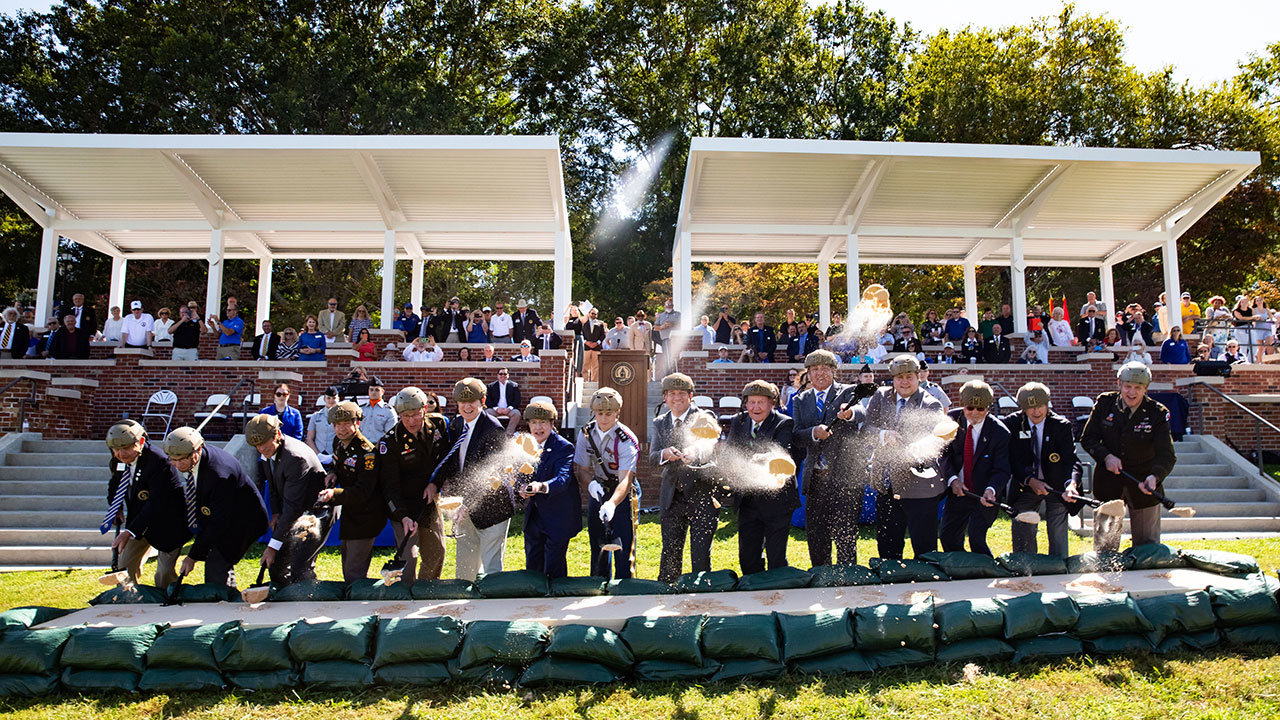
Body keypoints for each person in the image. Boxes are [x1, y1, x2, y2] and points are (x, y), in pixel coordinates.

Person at [1081, 362, 1177, 551]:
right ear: (1119, 384)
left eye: (1138, 388)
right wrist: (1106, 456)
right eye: (1128, 387)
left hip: (1144, 486)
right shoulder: (1104, 403)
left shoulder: (1157, 413)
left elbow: (1167, 455)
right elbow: (1088, 438)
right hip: (1108, 484)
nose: (1131, 393)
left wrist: (1155, 477)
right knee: (1105, 550)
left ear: (1146, 389)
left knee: (1147, 549)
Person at [161, 426, 269, 587]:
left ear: (198, 450)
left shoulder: (219, 474)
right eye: (172, 459)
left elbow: (219, 523)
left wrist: (193, 556)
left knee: (217, 561)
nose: (177, 465)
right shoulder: (197, 461)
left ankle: (222, 602)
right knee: (215, 555)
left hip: (243, 520)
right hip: (221, 515)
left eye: (182, 459)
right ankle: (224, 593)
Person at [864, 354, 947, 560]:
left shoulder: (931, 404)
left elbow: (934, 439)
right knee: (888, 547)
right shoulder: (880, 397)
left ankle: (928, 587)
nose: (904, 382)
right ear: (892, 379)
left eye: (909, 376)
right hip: (886, 484)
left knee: (925, 547)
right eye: (899, 377)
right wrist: (883, 435)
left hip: (919, 486)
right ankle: (890, 588)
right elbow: (866, 429)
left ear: (919, 377)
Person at [428, 378, 510, 581]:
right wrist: (434, 483)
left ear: (483, 401)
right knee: (465, 567)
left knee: (491, 569)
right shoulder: (456, 425)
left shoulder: (493, 429)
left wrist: (469, 503)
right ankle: (465, 607)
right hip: (464, 508)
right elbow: (449, 458)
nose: (466, 406)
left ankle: (489, 610)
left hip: (492, 509)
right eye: (462, 402)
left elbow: (493, 475)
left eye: (472, 401)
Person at [791, 350, 862, 566]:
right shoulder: (800, 399)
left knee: (845, 533)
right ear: (808, 373)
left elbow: (862, 412)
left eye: (824, 368)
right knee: (817, 534)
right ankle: (821, 576)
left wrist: (850, 414)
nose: (819, 373)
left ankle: (848, 578)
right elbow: (796, 435)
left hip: (845, 477)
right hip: (816, 478)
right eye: (814, 369)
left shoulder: (848, 392)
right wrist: (813, 432)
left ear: (834, 371)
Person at [246, 414, 334, 588]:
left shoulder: (295, 458)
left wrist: (272, 547)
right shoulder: (267, 453)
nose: (261, 448)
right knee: (277, 566)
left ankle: (305, 604)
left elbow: (293, 508)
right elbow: (272, 487)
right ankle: (281, 602)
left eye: (264, 442)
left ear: (277, 435)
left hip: (316, 512)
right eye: (256, 445)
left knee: (299, 567)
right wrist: (276, 513)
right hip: (292, 510)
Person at [650, 373, 720, 582]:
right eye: (672, 393)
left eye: (682, 393)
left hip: (701, 493)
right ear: (665, 397)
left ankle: (700, 597)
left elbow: (709, 445)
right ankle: (667, 596)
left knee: (700, 554)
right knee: (670, 552)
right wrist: (665, 454)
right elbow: (653, 457)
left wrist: (695, 452)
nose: (677, 398)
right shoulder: (659, 422)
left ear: (691, 396)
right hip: (672, 497)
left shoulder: (704, 416)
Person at [103, 420, 189, 588]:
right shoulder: (118, 461)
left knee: (164, 574)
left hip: (169, 523)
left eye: (126, 448)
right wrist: (116, 508)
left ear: (141, 442)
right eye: (116, 449)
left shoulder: (160, 462)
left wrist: (128, 532)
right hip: (139, 523)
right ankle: (131, 603)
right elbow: (115, 485)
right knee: (124, 569)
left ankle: (167, 606)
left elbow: (156, 504)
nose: (121, 454)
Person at [723, 380, 796, 575]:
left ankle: (777, 597)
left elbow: (780, 452)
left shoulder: (784, 422)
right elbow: (730, 451)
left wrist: (758, 459)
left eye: (761, 402)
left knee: (776, 558)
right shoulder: (738, 421)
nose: (756, 407)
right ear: (745, 403)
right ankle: (753, 597)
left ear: (772, 403)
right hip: (748, 501)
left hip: (777, 501)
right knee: (748, 558)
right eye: (751, 402)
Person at [379, 387, 450, 585]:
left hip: (428, 500)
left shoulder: (438, 426)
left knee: (436, 550)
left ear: (425, 409)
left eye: (416, 415)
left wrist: (435, 484)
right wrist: (403, 517)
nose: (411, 421)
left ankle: (426, 589)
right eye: (405, 416)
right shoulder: (390, 442)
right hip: (403, 504)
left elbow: (445, 459)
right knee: (408, 558)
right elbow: (389, 486)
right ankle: (405, 595)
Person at [315, 402, 392, 582]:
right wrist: (333, 474)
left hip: (366, 516)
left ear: (357, 423)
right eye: (336, 424)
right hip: (350, 513)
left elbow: (363, 491)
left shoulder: (368, 453)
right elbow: (337, 464)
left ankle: (358, 605)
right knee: (347, 563)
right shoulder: (338, 443)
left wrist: (334, 494)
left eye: (345, 424)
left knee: (354, 572)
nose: (340, 429)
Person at [1004, 382, 1081, 558]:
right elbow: (1012, 459)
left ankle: (1059, 570)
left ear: (1047, 404)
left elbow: (1071, 460)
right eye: (1030, 408)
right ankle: (1026, 567)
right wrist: (1030, 480)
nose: (1036, 412)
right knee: (1023, 526)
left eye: (1040, 406)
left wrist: (1071, 484)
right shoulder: (1012, 424)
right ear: (1023, 408)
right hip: (1026, 485)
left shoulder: (1061, 425)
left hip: (1057, 486)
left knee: (1057, 531)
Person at [938, 381, 1010, 557]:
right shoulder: (950, 422)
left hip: (983, 492)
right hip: (958, 489)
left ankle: (985, 572)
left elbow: (1001, 469)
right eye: (970, 408)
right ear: (963, 405)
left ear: (988, 408)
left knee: (977, 537)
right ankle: (959, 571)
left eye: (981, 409)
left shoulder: (1000, 432)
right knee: (948, 535)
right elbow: (942, 455)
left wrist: (991, 490)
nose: (975, 413)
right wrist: (953, 479)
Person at [575, 387, 640, 580]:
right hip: (599, 488)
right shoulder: (586, 434)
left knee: (623, 549)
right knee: (598, 547)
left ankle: (624, 591)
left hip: (623, 494)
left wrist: (612, 503)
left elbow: (626, 479)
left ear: (617, 412)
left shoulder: (626, 439)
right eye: (599, 413)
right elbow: (583, 471)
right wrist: (591, 486)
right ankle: (599, 586)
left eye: (609, 414)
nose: (603, 419)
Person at [519, 400, 581, 579]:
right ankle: (534, 602)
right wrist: (522, 488)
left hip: (558, 516)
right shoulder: (526, 445)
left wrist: (541, 486)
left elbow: (562, 479)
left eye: (543, 422)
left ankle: (554, 601)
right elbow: (520, 475)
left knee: (554, 565)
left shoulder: (564, 447)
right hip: (535, 516)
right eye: (533, 423)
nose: (538, 428)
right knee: (533, 563)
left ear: (552, 424)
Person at [306, 386, 340, 466]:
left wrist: (336, 454)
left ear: (338, 399)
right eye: (328, 398)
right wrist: (318, 455)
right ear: (324, 399)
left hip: (336, 455)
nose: (331, 401)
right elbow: (309, 438)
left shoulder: (342, 417)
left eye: (334, 398)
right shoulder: (316, 416)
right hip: (318, 455)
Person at [486, 368, 523, 436]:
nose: (503, 376)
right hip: (496, 410)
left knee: (517, 414)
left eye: (505, 374)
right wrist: (496, 408)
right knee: (487, 413)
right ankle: (494, 433)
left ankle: (508, 434)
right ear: (497, 375)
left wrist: (509, 408)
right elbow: (488, 400)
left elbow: (517, 400)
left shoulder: (514, 386)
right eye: (501, 374)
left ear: (508, 375)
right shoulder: (491, 386)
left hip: (509, 410)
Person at [654, 299, 681, 373]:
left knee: (675, 355)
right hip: (665, 339)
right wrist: (663, 327)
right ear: (664, 306)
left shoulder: (678, 314)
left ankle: (676, 371)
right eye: (667, 305)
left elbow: (682, 325)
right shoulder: (661, 316)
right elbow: (655, 328)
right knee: (667, 356)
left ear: (673, 306)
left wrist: (673, 324)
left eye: (670, 305)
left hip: (676, 339)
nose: (668, 306)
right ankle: (668, 373)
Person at [581, 307, 606, 382]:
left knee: (596, 366)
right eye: (592, 313)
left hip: (596, 347)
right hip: (586, 347)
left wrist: (597, 343)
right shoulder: (584, 323)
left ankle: (594, 381)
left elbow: (603, 335)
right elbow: (581, 333)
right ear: (589, 314)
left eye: (595, 314)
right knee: (585, 365)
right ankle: (585, 381)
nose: (593, 315)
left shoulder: (600, 323)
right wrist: (586, 342)